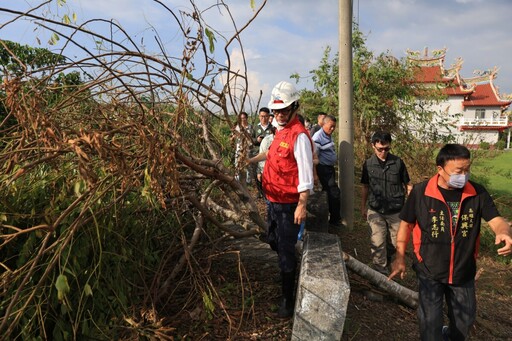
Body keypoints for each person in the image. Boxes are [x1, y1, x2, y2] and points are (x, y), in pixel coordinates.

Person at [389, 144, 512, 341]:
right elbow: (406, 225)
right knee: (429, 326)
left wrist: (504, 233)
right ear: (440, 169)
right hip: (430, 270)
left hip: (463, 271)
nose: (464, 175)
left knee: (464, 324)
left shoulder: (477, 193)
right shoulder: (421, 193)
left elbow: (497, 220)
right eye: (458, 171)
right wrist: (400, 256)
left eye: (467, 169)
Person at [248, 81, 314, 318]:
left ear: (294, 107)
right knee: (273, 240)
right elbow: (270, 154)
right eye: (276, 110)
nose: (279, 114)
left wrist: (302, 205)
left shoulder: (300, 136)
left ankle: (288, 297)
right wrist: (250, 161)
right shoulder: (279, 131)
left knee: (285, 249)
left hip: (289, 205)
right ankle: (288, 265)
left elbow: (306, 175)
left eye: (284, 110)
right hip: (272, 201)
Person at [360, 131, 412, 275]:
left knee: (396, 244)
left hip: (396, 210)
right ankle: (380, 275)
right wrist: (363, 207)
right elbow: (365, 186)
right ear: (373, 146)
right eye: (380, 149)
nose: (383, 152)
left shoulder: (398, 162)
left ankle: (386, 257)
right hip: (375, 209)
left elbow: (408, 184)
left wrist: (411, 207)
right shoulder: (368, 164)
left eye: (387, 149)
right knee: (377, 243)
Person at [312, 114, 341, 226]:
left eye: (334, 126)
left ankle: (328, 217)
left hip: (329, 168)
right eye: (331, 126)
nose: (332, 129)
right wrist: (315, 174)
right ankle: (334, 220)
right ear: (324, 124)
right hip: (323, 169)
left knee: (329, 192)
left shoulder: (328, 135)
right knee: (334, 192)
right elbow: (314, 157)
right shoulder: (318, 138)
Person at [234, 111, 254, 184]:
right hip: (239, 149)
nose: (243, 119)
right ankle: (237, 180)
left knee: (248, 164)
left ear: (247, 118)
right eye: (241, 118)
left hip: (247, 149)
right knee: (237, 164)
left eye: (244, 118)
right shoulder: (237, 127)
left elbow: (251, 137)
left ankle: (249, 181)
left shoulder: (250, 127)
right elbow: (234, 137)